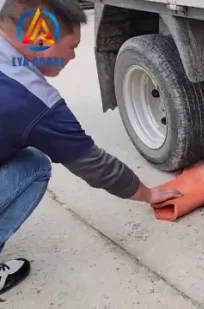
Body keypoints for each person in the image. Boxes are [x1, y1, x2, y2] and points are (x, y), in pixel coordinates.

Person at [0, 0, 182, 294]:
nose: (73, 55)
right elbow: (94, 165)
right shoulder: (31, 99)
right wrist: (149, 193)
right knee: (36, 166)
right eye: (71, 46)